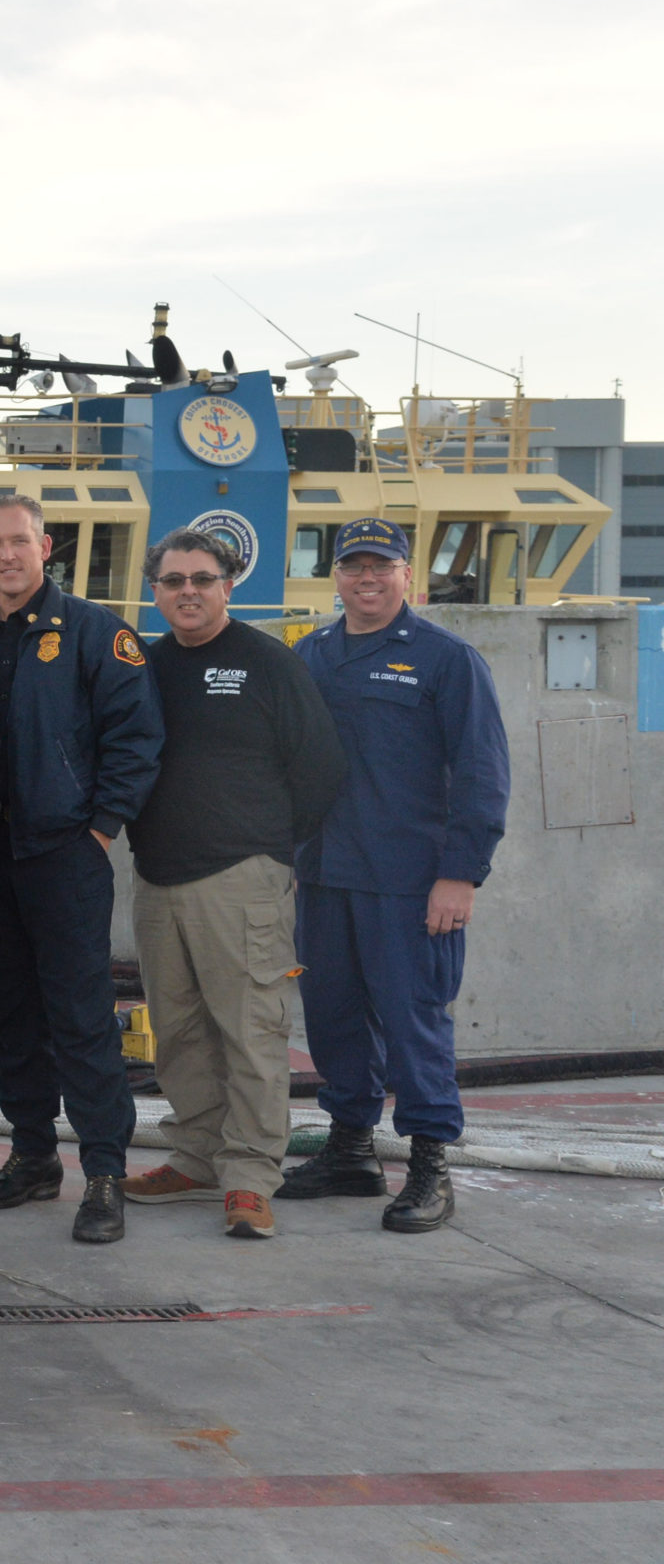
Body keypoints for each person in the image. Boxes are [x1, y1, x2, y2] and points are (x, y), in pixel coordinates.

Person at [277, 518, 509, 1233]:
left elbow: (482, 774)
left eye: (381, 567)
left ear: (408, 573)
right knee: (335, 1017)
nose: (366, 580)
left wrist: (461, 875)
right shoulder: (310, 655)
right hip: (324, 875)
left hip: (411, 883)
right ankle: (351, 1149)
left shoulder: (445, 659)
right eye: (353, 567)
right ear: (336, 575)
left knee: (413, 1022)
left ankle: (431, 1165)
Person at [0, 494, 162, 1244]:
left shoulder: (96, 634)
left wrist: (99, 832)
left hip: (65, 856)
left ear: (46, 549)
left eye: (20, 542)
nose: (7, 555)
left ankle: (104, 1173)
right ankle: (33, 1155)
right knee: (11, 1017)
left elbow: (136, 738)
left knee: (80, 1019)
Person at [119, 529, 345, 1238]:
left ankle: (248, 1177)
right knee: (179, 1034)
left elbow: (319, 772)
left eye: (203, 579)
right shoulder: (146, 667)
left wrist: (263, 849)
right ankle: (194, 1156)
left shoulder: (266, 664)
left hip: (241, 879)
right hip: (157, 880)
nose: (188, 591)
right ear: (154, 590)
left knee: (250, 1032)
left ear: (229, 585)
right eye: (173, 580)